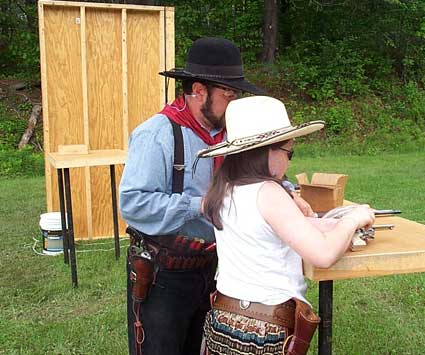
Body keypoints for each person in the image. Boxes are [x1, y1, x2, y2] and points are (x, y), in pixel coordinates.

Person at [119, 37, 266, 355]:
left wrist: (287, 194)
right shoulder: (156, 134)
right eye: (228, 94)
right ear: (199, 91)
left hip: (217, 269)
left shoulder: (232, 136)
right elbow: (132, 202)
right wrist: (197, 204)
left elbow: (259, 178)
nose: (234, 101)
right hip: (164, 276)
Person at [198, 96, 376, 355]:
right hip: (263, 331)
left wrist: (328, 225)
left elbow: (271, 229)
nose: (290, 161)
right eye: (289, 152)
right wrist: (352, 219)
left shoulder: (222, 190)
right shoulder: (269, 193)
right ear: (266, 151)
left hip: (223, 323)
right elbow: (323, 255)